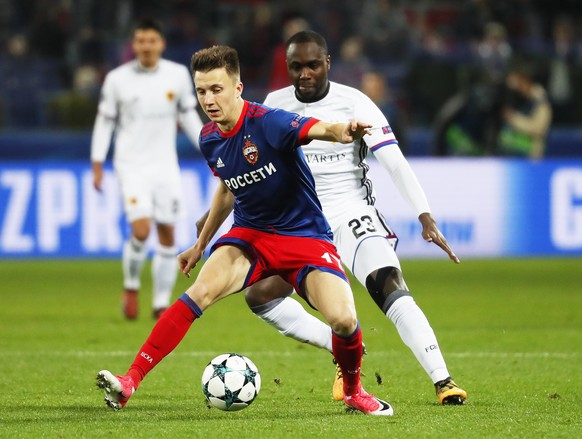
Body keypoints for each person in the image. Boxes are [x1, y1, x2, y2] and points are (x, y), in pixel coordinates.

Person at [96, 44, 394, 416]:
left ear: (237, 88)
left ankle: (353, 391)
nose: (208, 99)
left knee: (345, 320)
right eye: (201, 90)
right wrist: (200, 244)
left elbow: (318, 128)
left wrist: (342, 129)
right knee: (198, 292)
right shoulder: (209, 138)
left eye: (216, 89)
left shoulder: (269, 123)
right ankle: (129, 381)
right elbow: (227, 186)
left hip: (304, 237)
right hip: (250, 237)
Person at [198, 30, 467, 405]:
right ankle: (341, 348)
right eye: (296, 66)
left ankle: (443, 380)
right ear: (288, 67)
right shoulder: (273, 104)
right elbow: (243, 164)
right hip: (299, 225)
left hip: (350, 213)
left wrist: (425, 216)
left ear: (327, 64)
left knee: (387, 284)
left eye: (312, 65)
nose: (304, 73)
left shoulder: (354, 102)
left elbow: (394, 162)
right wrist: (210, 216)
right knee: (259, 297)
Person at [90, 18, 204, 320]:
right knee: (141, 230)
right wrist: (97, 162)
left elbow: (189, 118)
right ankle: (130, 286)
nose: (146, 46)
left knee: (167, 232)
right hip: (131, 165)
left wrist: (210, 147)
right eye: (140, 41)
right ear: (134, 45)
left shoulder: (177, 76)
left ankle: (160, 305)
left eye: (151, 40)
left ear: (161, 44)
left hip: (165, 166)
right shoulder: (117, 79)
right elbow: (105, 122)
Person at [498, 61, 552, 159]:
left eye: (517, 82)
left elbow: (538, 129)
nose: (514, 86)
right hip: (510, 155)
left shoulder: (540, 99)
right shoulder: (513, 97)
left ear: (525, 80)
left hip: (532, 153)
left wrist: (513, 118)